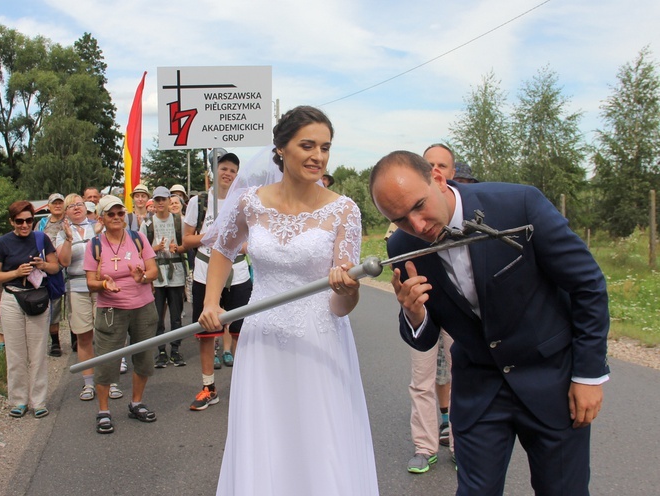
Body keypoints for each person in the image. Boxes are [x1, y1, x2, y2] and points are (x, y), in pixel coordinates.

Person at [369, 150, 610, 495]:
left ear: (437, 178)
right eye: (402, 219)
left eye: (419, 206)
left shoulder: (519, 204)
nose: (418, 225)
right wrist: (415, 314)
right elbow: (424, 337)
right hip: (479, 389)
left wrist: (588, 375)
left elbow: (587, 284)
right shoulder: (403, 245)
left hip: (552, 381)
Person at [199, 105, 379, 495]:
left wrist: (348, 291)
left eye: (325, 147)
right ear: (280, 149)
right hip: (262, 336)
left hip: (320, 336)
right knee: (266, 434)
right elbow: (222, 250)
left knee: (319, 435)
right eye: (308, 145)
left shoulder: (344, 210)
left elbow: (341, 305)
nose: (318, 156)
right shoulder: (249, 202)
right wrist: (212, 302)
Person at [83, 195, 159, 434]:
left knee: (144, 357)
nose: (116, 218)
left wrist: (143, 277)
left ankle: (136, 403)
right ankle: (103, 411)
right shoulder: (94, 244)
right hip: (111, 309)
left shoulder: (138, 239)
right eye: (110, 214)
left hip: (143, 306)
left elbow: (154, 269)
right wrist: (105, 285)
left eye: (120, 214)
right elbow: (89, 282)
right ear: (102, 218)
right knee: (107, 359)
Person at [402, 143, 457, 474]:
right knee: (420, 378)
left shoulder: (466, 216)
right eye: (430, 163)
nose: (436, 168)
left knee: (462, 374)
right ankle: (424, 447)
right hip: (422, 309)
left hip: (459, 313)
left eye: (442, 164)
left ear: (449, 173)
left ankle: (462, 444)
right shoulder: (410, 220)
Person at [183, 153, 252, 411]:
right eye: (224, 168)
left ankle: (243, 387)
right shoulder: (199, 202)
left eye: (233, 170)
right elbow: (185, 241)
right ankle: (208, 387)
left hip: (238, 272)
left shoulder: (244, 202)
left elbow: (251, 242)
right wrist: (209, 237)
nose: (228, 173)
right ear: (215, 171)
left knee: (240, 332)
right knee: (207, 332)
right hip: (205, 271)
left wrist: (234, 245)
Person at [0, 201, 61, 419]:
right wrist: (16, 272)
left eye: (29, 220)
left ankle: (38, 401)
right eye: (19, 221)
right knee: (15, 352)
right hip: (12, 297)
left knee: (38, 351)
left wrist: (42, 265)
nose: (24, 225)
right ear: (12, 221)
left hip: (37, 297)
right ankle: (18, 400)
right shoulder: (2, 243)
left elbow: (55, 266)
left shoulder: (41, 238)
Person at [56, 194, 121, 401]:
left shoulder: (99, 227)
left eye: (79, 204)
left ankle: (111, 381)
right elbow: (64, 262)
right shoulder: (62, 233)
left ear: (86, 207)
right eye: (71, 206)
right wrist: (68, 239)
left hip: (101, 286)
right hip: (77, 287)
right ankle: (89, 383)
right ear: (65, 212)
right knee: (84, 336)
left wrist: (98, 235)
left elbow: (110, 252)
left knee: (106, 334)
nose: (76, 208)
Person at [140, 186, 188, 368]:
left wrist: (179, 248)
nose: (160, 203)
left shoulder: (179, 222)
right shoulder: (147, 224)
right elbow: (141, 252)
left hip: (176, 273)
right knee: (157, 316)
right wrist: (155, 249)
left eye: (163, 199)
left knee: (176, 315)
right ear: (153, 201)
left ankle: (175, 350)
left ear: (169, 201)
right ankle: (161, 351)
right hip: (157, 276)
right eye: (157, 199)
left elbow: (186, 244)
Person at [36, 192, 66, 357]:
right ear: (49, 205)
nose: (57, 205)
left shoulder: (68, 221)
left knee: (68, 305)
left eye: (60, 203)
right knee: (53, 304)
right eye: (54, 203)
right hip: (48, 268)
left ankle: (75, 338)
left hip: (67, 266)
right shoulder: (42, 224)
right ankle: (55, 342)